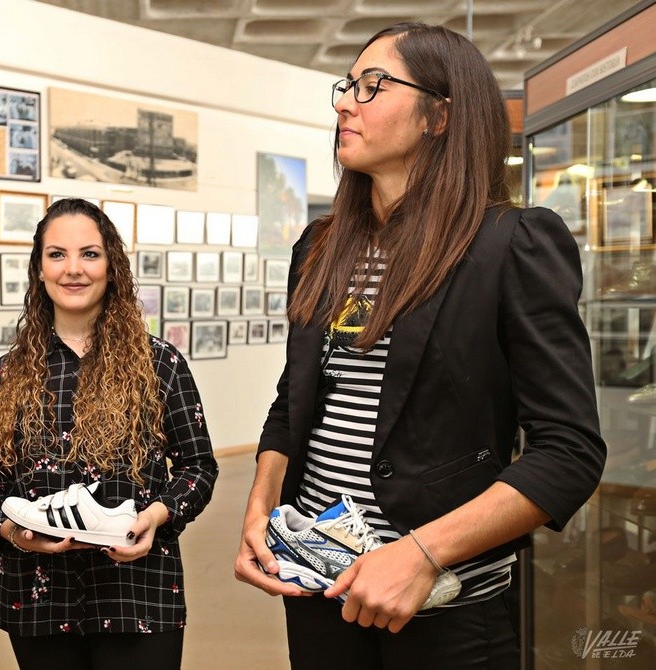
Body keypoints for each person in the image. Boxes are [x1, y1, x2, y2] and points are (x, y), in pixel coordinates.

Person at [233, 22, 605, 669]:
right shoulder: (319, 248)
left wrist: (419, 553)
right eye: (346, 86)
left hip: (445, 605)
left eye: (373, 86)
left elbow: (568, 451)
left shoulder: (511, 244)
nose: (346, 102)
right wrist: (260, 512)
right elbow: (293, 408)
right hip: (320, 588)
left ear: (440, 115)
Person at [0, 198, 219, 670]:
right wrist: (12, 531)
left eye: (90, 253)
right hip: (37, 600)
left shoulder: (159, 364)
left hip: (138, 595)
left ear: (111, 266)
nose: (73, 269)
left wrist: (156, 517)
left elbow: (198, 468)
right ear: (39, 270)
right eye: (57, 255)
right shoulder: (7, 374)